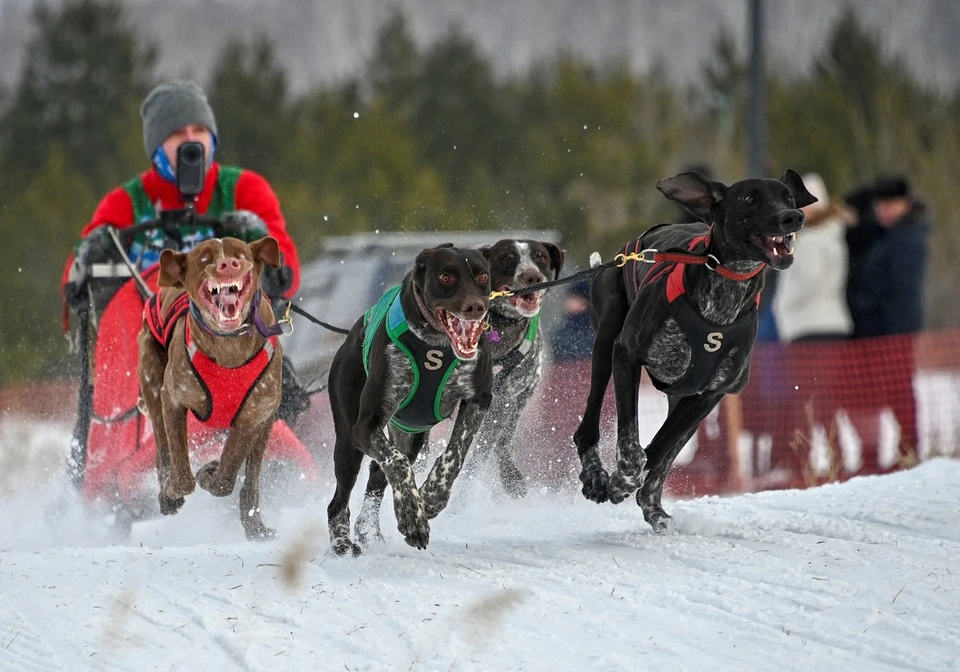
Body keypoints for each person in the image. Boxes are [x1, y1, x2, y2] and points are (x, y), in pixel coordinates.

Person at [62, 80, 301, 308]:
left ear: (213, 139)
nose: (190, 140)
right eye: (177, 133)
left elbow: (287, 275)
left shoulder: (243, 189)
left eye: (199, 130)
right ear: (156, 146)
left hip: (232, 333)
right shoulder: (126, 202)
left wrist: (260, 243)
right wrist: (92, 255)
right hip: (143, 336)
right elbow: (73, 287)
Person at [773, 173, 853, 342]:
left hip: (808, 326)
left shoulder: (811, 241)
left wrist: (783, 304)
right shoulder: (833, 236)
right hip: (831, 324)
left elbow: (810, 279)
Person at [846, 175, 929, 338]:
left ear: (905, 205)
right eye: (880, 205)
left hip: (891, 335)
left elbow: (903, 294)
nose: (884, 210)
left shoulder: (906, 240)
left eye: (890, 204)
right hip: (878, 333)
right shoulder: (884, 238)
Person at [550, 279, 594, 361]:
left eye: (574, 298)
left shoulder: (592, 328)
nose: (570, 303)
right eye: (570, 298)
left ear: (584, 301)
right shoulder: (564, 328)